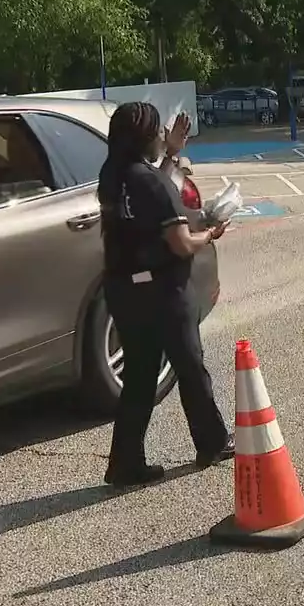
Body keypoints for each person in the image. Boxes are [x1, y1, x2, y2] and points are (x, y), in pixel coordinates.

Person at [99, 102, 234, 487]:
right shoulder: (152, 183)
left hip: (124, 290)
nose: (162, 136)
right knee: (191, 368)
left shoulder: (112, 176)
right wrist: (210, 233)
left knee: (140, 379)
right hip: (162, 291)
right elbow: (179, 242)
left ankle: (124, 464)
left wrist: (172, 152)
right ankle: (211, 443)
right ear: (145, 137)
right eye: (158, 132)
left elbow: (148, 188)